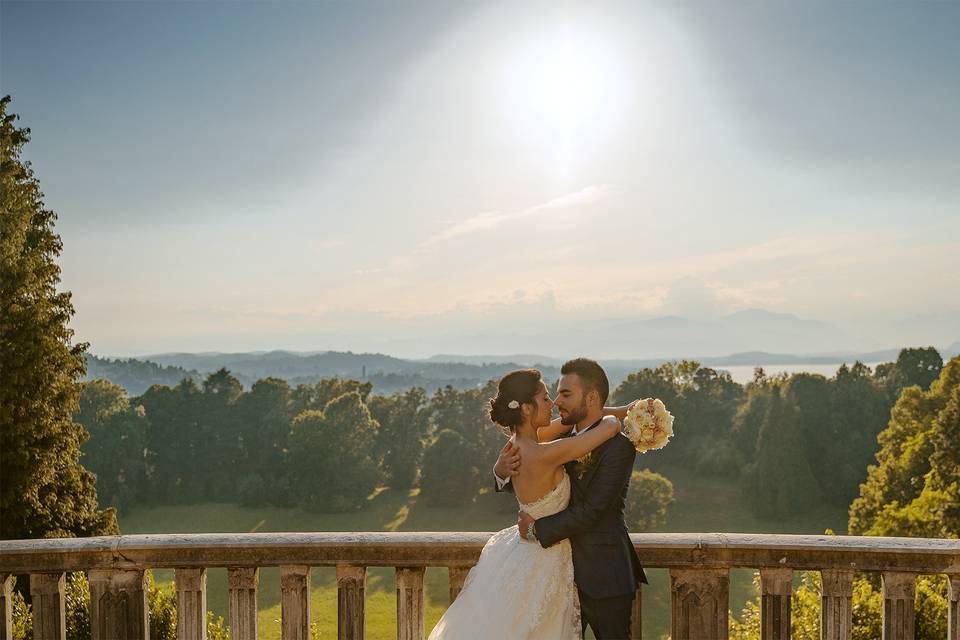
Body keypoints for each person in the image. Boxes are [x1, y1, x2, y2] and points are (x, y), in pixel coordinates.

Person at [428, 368, 621, 639]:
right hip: (545, 560)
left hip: (522, 554)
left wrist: (626, 408)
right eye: (544, 398)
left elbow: (574, 420)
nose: (552, 404)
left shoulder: (517, 445)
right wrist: (616, 418)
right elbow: (607, 428)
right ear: (527, 409)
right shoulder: (545, 454)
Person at [496, 357, 647, 639]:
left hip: (603, 574)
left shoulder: (618, 448)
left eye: (565, 394)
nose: (555, 402)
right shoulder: (555, 440)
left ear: (590, 398)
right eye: (552, 394)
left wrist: (535, 529)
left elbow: (593, 509)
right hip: (551, 573)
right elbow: (526, 474)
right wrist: (500, 471)